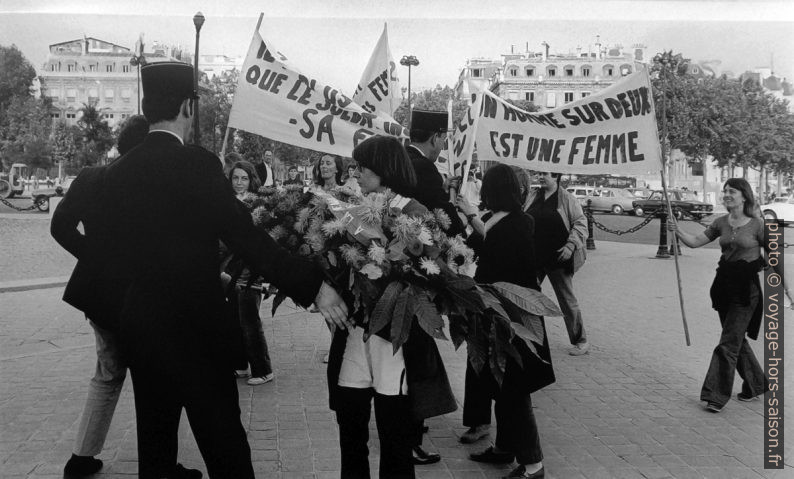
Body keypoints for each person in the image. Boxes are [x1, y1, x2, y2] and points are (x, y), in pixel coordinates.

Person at [99, 61, 350, 479]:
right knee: (224, 446)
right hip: (198, 330)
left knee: (156, 446)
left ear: (146, 106)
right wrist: (315, 286)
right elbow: (246, 238)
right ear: (187, 107)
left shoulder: (116, 173)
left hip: (142, 327)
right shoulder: (197, 164)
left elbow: (109, 257)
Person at [53, 115, 190, 479]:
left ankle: (81, 456)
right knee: (157, 380)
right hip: (144, 294)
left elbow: (59, 226)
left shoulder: (90, 177)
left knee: (108, 372)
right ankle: (161, 466)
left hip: (99, 294)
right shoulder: (155, 182)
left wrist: (95, 258)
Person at [327, 135, 457, 478]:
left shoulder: (413, 211)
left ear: (383, 169)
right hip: (356, 331)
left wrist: (394, 263)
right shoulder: (352, 208)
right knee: (350, 423)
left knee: (394, 432)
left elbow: (432, 269)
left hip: (393, 337)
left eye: (361, 166)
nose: (355, 173)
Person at [456, 164, 554, 479]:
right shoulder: (492, 218)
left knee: (514, 390)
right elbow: (469, 252)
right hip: (491, 312)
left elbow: (506, 260)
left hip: (514, 317)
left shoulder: (521, 222)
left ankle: (533, 463)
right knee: (501, 384)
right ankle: (505, 448)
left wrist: (473, 220)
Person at [669, 178, 771, 413]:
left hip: (747, 291)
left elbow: (775, 258)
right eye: (724, 191)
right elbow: (695, 242)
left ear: (743, 196)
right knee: (734, 340)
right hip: (723, 287)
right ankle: (756, 384)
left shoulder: (758, 225)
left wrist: (788, 290)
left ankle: (715, 395)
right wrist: (678, 231)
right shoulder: (721, 222)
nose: (726, 194)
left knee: (727, 344)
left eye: (731, 191)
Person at [524, 171, 589, 356]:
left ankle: (581, 340)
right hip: (535, 256)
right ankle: (529, 337)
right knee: (528, 295)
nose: (541, 177)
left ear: (556, 177)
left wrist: (571, 245)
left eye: (545, 174)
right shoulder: (533, 195)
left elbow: (580, 222)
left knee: (567, 300)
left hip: (559, 258)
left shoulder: (567, 199)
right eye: (540, 174)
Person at [226, 160, 275, 386]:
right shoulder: (224, 202)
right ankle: (240, 364)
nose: (239, 182)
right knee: (233, 319)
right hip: (227, 268)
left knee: (249, 320)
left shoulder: (258, 205)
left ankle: (262, 368)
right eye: (235, 178)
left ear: (251, 180)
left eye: (244, 178)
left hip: (250, 269)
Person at [407, 109, 466, 237]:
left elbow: (424, 195)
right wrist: (464, 221)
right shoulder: (425, 167)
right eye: (443, 140)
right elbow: (444, 216)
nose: (441, 146)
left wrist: (442, 188)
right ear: (434, 138)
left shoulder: (401, 157)